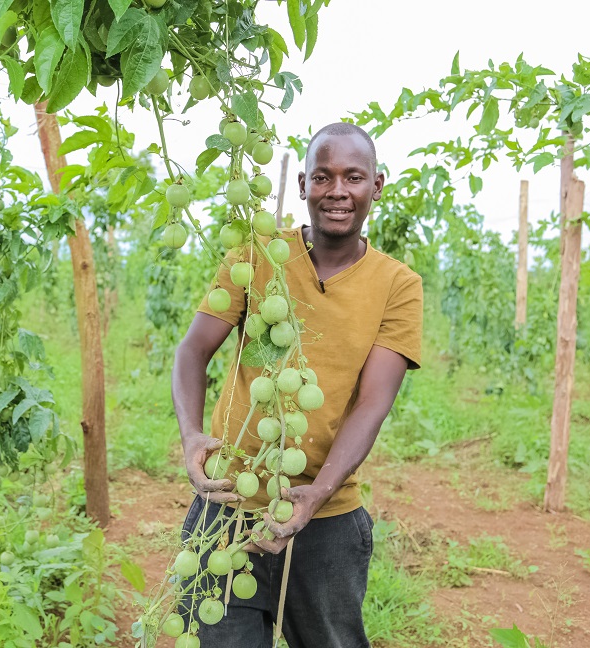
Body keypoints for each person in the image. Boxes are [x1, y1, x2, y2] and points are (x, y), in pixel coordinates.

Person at [170, 122, 423, 647]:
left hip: (325, 520)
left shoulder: (397, 285)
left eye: (353, 177)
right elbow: (193, 350)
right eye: (323, 176)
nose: (337, 191)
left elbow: (372, 404)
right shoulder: (257, 256)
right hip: (228, 506)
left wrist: (317, 494)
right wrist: (192, 436)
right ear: (304, 184)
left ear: (376, 186)